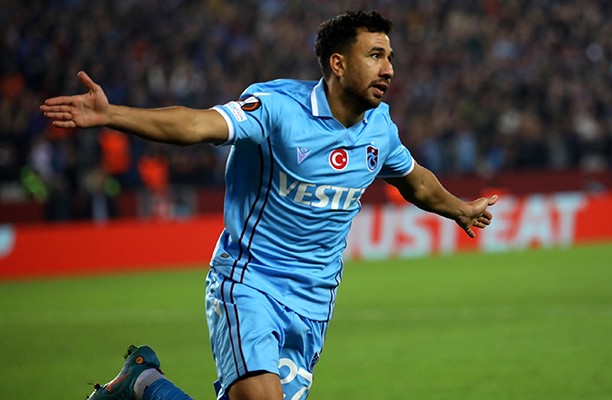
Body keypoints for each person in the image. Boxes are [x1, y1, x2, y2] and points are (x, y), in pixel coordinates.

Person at [41, 11, 498, 400]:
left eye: (390, 57)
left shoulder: (380, 127)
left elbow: (415, 180)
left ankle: (144, 384)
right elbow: (197, 125)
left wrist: (459, 209)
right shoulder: (278, 108)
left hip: (315, 302)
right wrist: (111, 114)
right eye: (375, 55)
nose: (389, 69)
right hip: (251, 281)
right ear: (338, 64)